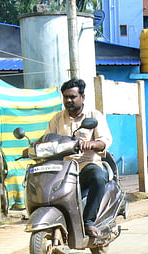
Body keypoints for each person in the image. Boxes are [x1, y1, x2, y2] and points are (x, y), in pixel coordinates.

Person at [45, 77, 113, 238]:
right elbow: (47, 139)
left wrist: (91, 144)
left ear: (82, 97)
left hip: (86, 165)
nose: (68, 100)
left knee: (98, 177)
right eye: (66, 97)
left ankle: (88, 221)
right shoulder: (57, 119)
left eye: (72, 97)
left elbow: (105, 141)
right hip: (63, 168)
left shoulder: (93, 116)